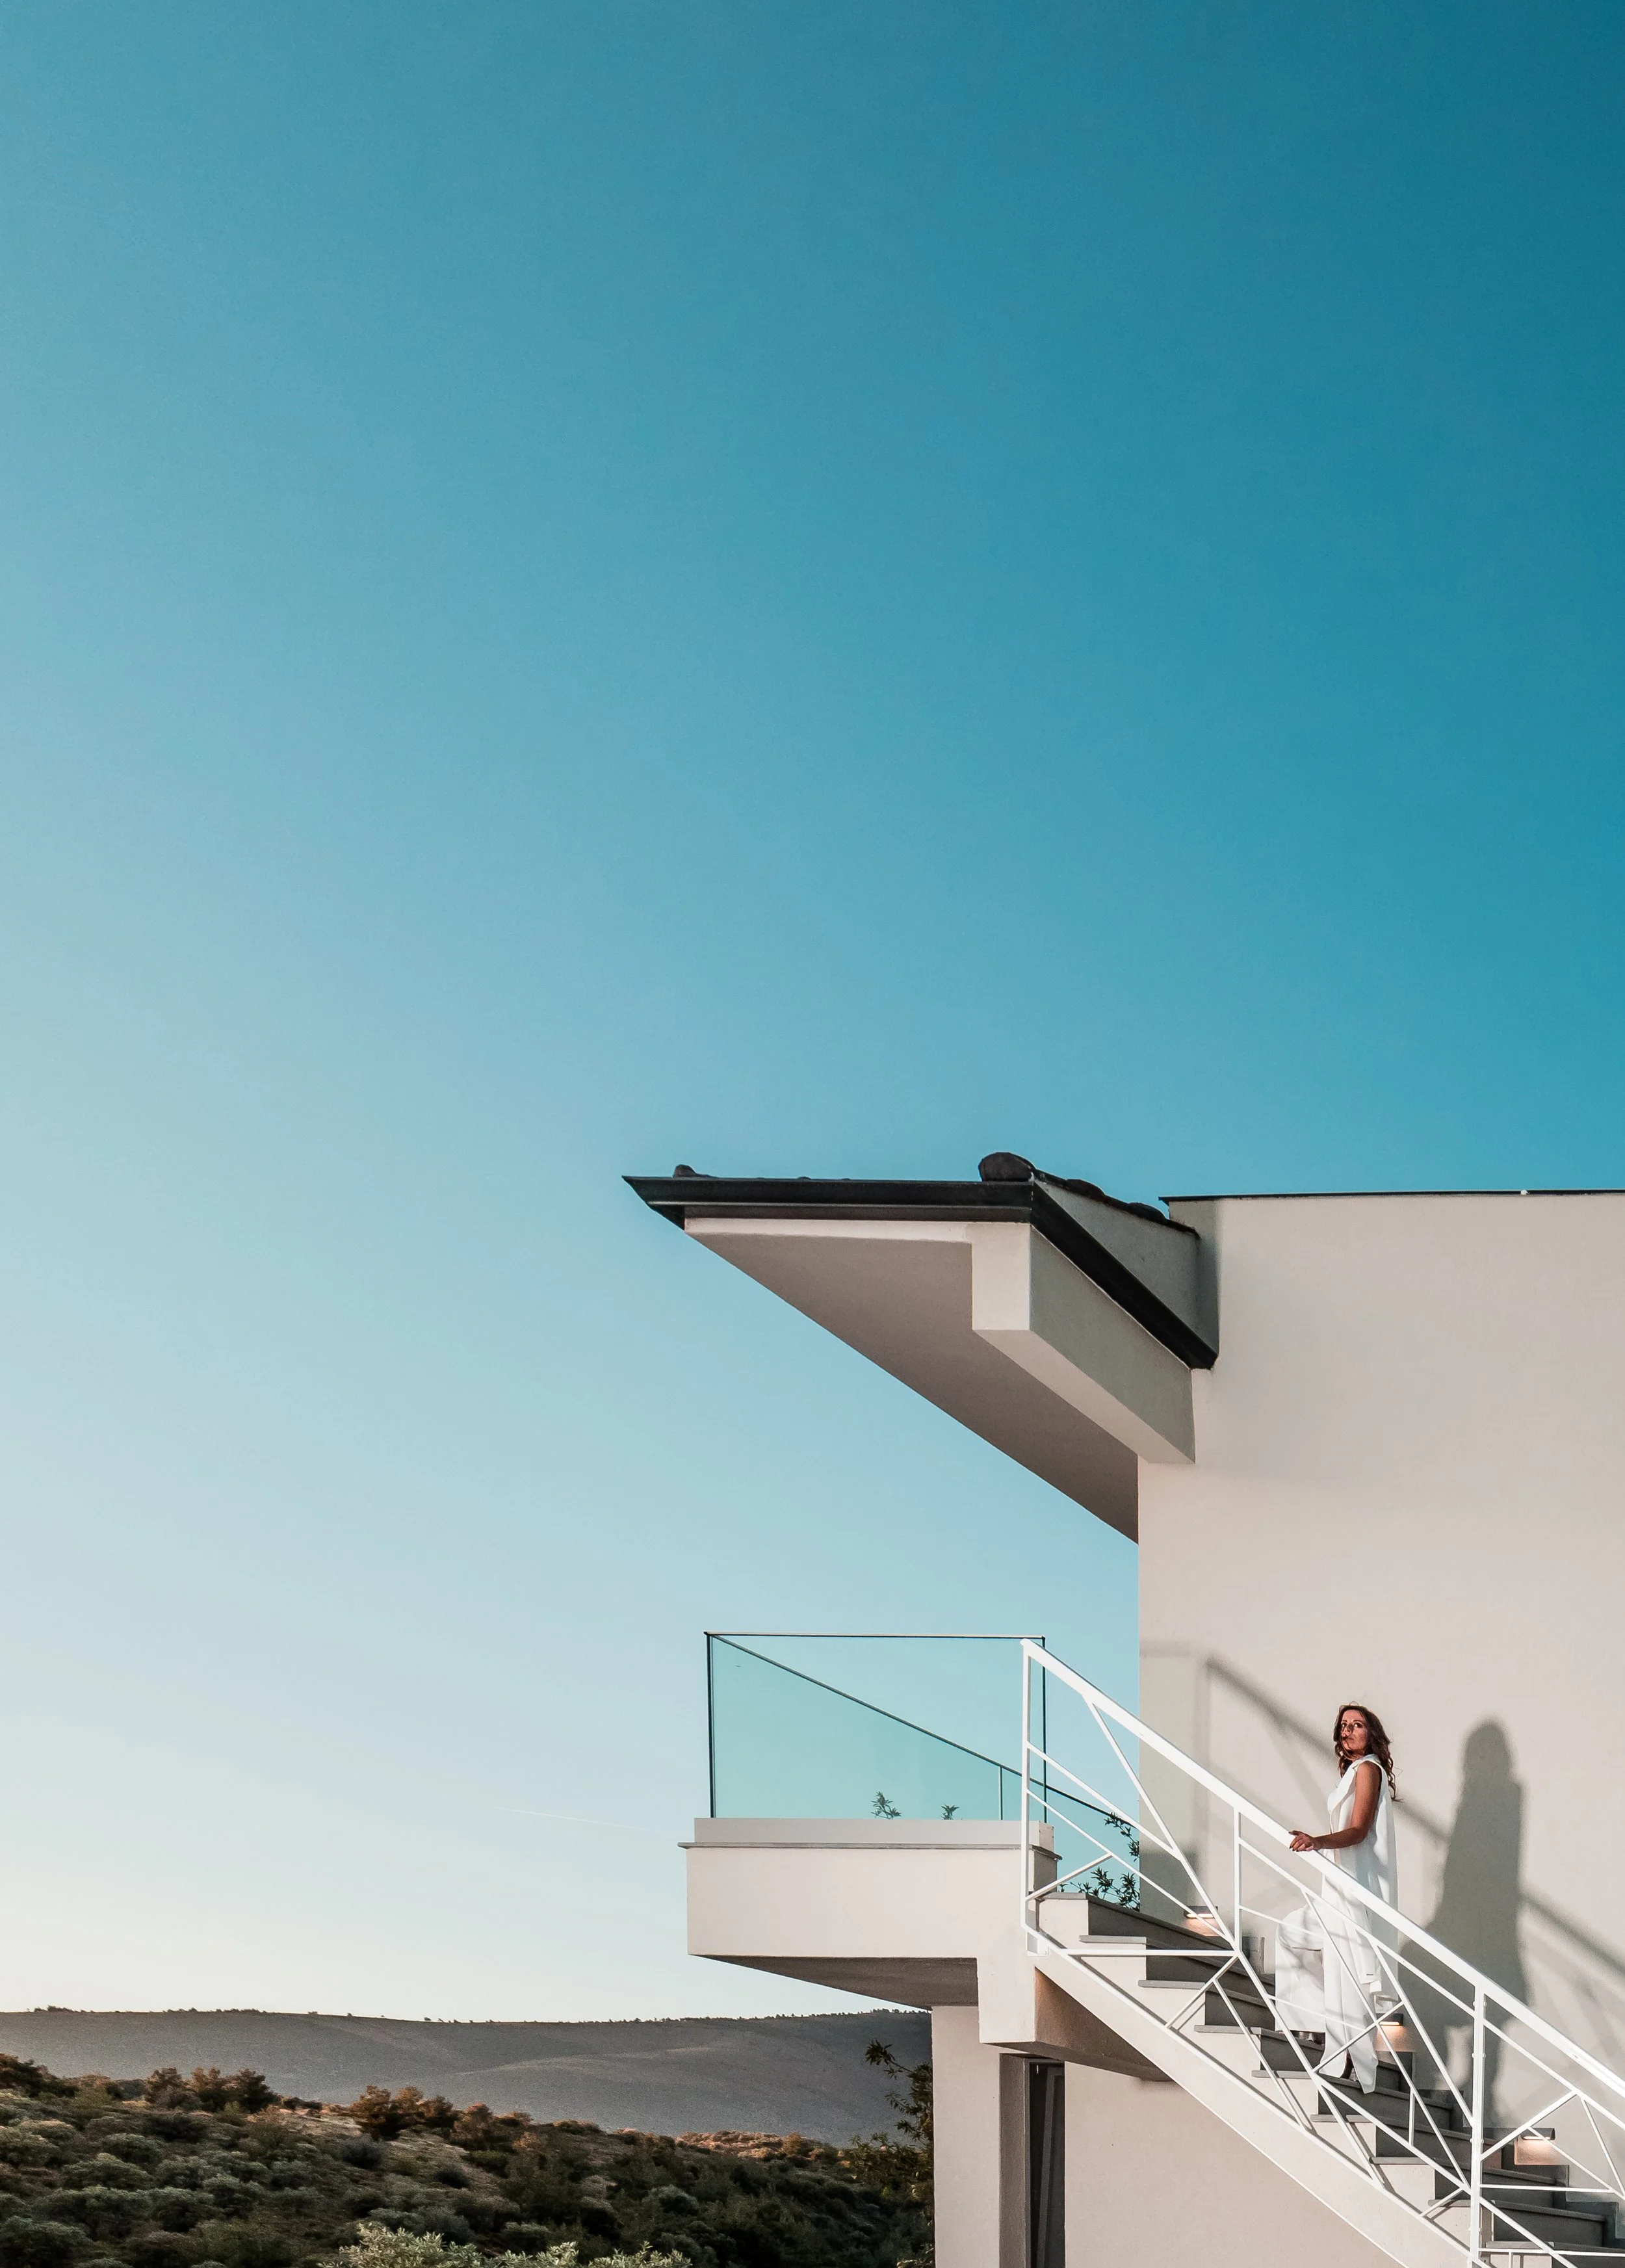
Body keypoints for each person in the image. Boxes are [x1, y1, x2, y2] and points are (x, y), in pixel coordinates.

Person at [1274, 1703, 1399, 2093]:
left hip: (1354, 1891)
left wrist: (1317, 1842)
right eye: (1343, 1725)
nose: (1347, 1731)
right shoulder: (1353, 1773)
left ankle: (1348, 2056)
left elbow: (1358, 1831)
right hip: (1342, 1885)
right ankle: (1330, 2034)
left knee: (1345, 1970)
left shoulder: (1368, 1769)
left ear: (1371, 1733)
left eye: (1357, 1725)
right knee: (1295, 1933)